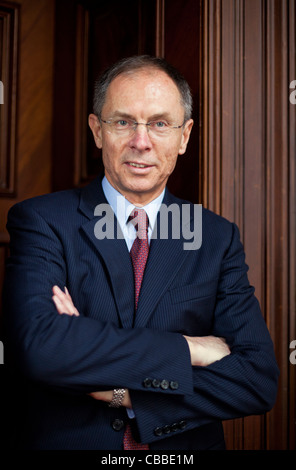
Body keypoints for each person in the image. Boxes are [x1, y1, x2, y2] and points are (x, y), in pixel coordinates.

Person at [3, 55, 279, 450]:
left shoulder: (215, 237)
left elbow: (256, 380)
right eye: (123, 122)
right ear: (97, 131)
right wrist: (193, 348)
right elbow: (42, 349)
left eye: (160, 124)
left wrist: (124, 393)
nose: (141, 141)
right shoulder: (42, 220)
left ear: (185, 136)